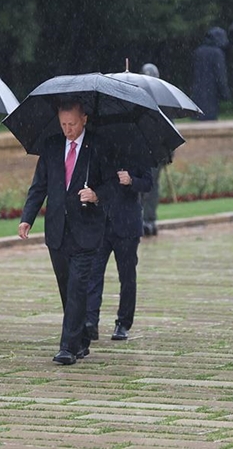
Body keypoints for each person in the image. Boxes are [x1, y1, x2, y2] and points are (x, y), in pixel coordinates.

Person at [18, 100, 112, 365]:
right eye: (63, 124)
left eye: (72, 124)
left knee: (77, 287)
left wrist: (96, 194)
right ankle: (81, 339)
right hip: (57, 230)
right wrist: (27, 218)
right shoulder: (51, 146)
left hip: (87, 230)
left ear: (84, 119)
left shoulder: (99, 146)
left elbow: (113, 184)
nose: (68, 130)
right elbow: (39, 186)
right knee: (66, 287)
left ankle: (67, 347)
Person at [86, 159, 151, 342]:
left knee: (127, 277)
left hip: (127, 226)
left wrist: (132, 181)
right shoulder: (97, 151)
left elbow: (148, 184)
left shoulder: (138, 152)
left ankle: (123, 323)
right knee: (93, 274)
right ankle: (91, 322)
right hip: (100, 224)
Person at [138, 64, 166, 237]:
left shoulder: (159, 101)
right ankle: (146, 220)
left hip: (153, 152)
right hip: (147, 152)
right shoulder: (159, 99)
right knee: (148, 186)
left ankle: (147, 219)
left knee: (148, 186)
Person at [191, 27, 230, 121]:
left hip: (197, 92)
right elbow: (220, 75)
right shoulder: (217, 53)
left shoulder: (198, 51)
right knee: (210, 120)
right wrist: (224, 92)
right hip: (211, 93)